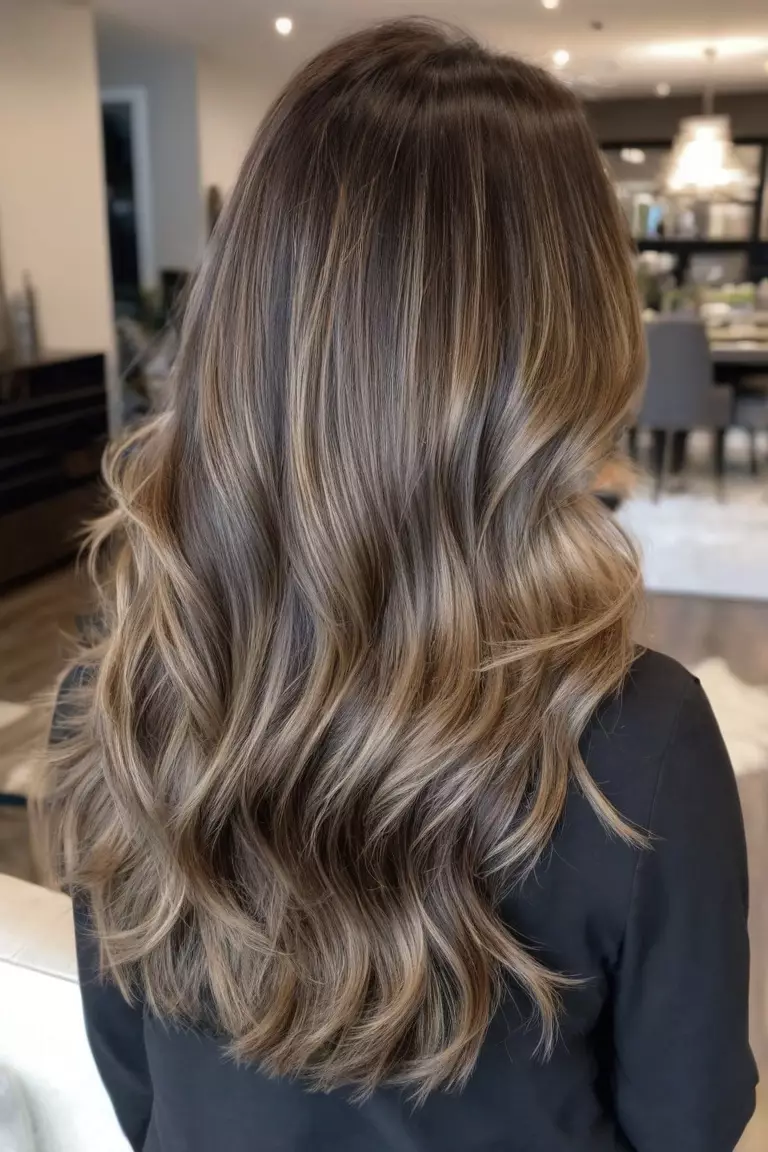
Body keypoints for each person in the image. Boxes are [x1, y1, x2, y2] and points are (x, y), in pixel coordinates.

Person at [44, 21, 756, 1152]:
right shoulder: (639, 746)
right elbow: (690, 1121)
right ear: (568, 345)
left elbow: (139, 1093)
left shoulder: (117, 701)